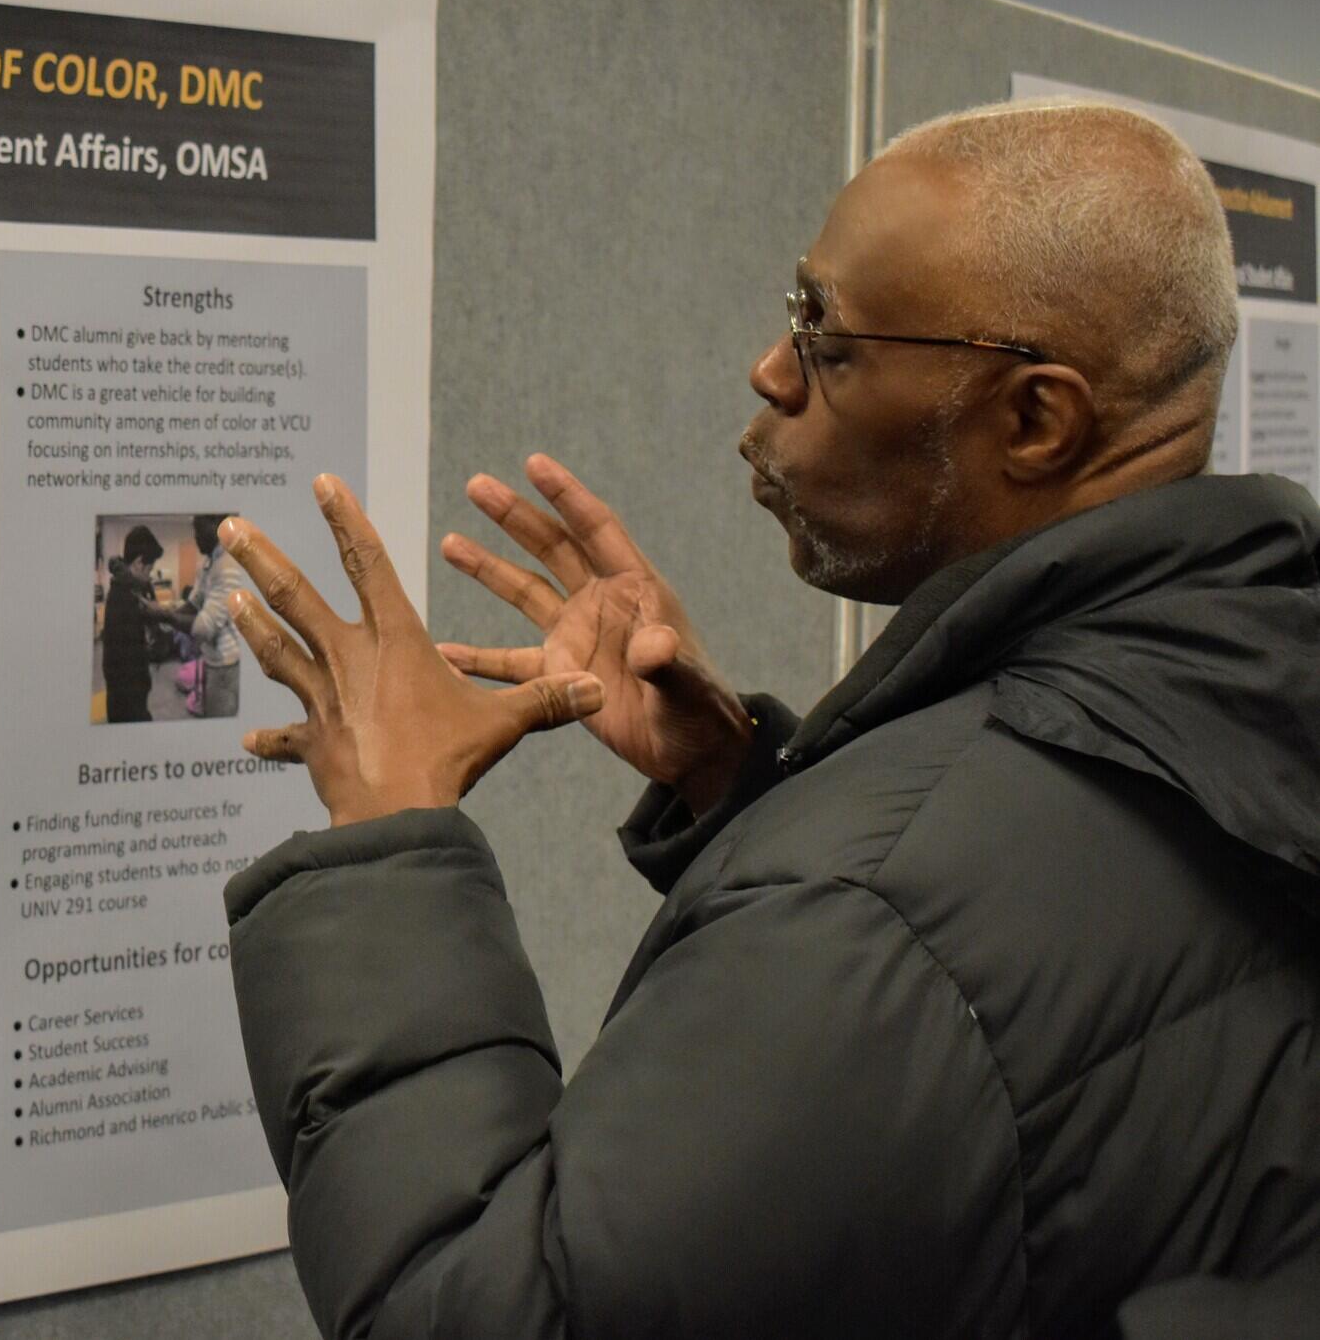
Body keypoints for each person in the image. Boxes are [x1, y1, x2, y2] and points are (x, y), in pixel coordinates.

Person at [214, 101, 1320, 1338]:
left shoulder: (865, 913)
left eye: (827, 337)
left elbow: (477, 1310)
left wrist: (390, 837)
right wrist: (742, 785)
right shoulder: (1253, 681)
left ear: (1034, 419)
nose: (772, 371)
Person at [176, 512, 247, 718]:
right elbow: (193, 603)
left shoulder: (228, 566)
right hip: (211, 660)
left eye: (198, 530)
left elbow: (203, 628)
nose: (195, 536)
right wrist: (166, 615)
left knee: (219, 718)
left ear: (217, 524)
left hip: (226, 666)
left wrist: (163, 617)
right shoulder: (208, 564)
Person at [98, 524, 172, 722]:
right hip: (127, 695)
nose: (150, 574)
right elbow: (125, 660)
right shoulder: (126, 596)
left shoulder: (130, 589)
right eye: (150, 568)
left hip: (129, 689)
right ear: (139, 563)